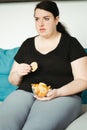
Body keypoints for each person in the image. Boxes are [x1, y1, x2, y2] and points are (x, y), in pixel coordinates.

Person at [0, 0, 87, 130]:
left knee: (35, 127)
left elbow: (83, 80)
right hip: (25, 92)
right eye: (37, 19)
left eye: (46, 18)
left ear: (56, 20)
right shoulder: (28, 44)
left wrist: (58, 92)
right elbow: (12, 79)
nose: (40, 24)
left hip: (62, 95)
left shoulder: (71, 44)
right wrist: (18, 73)